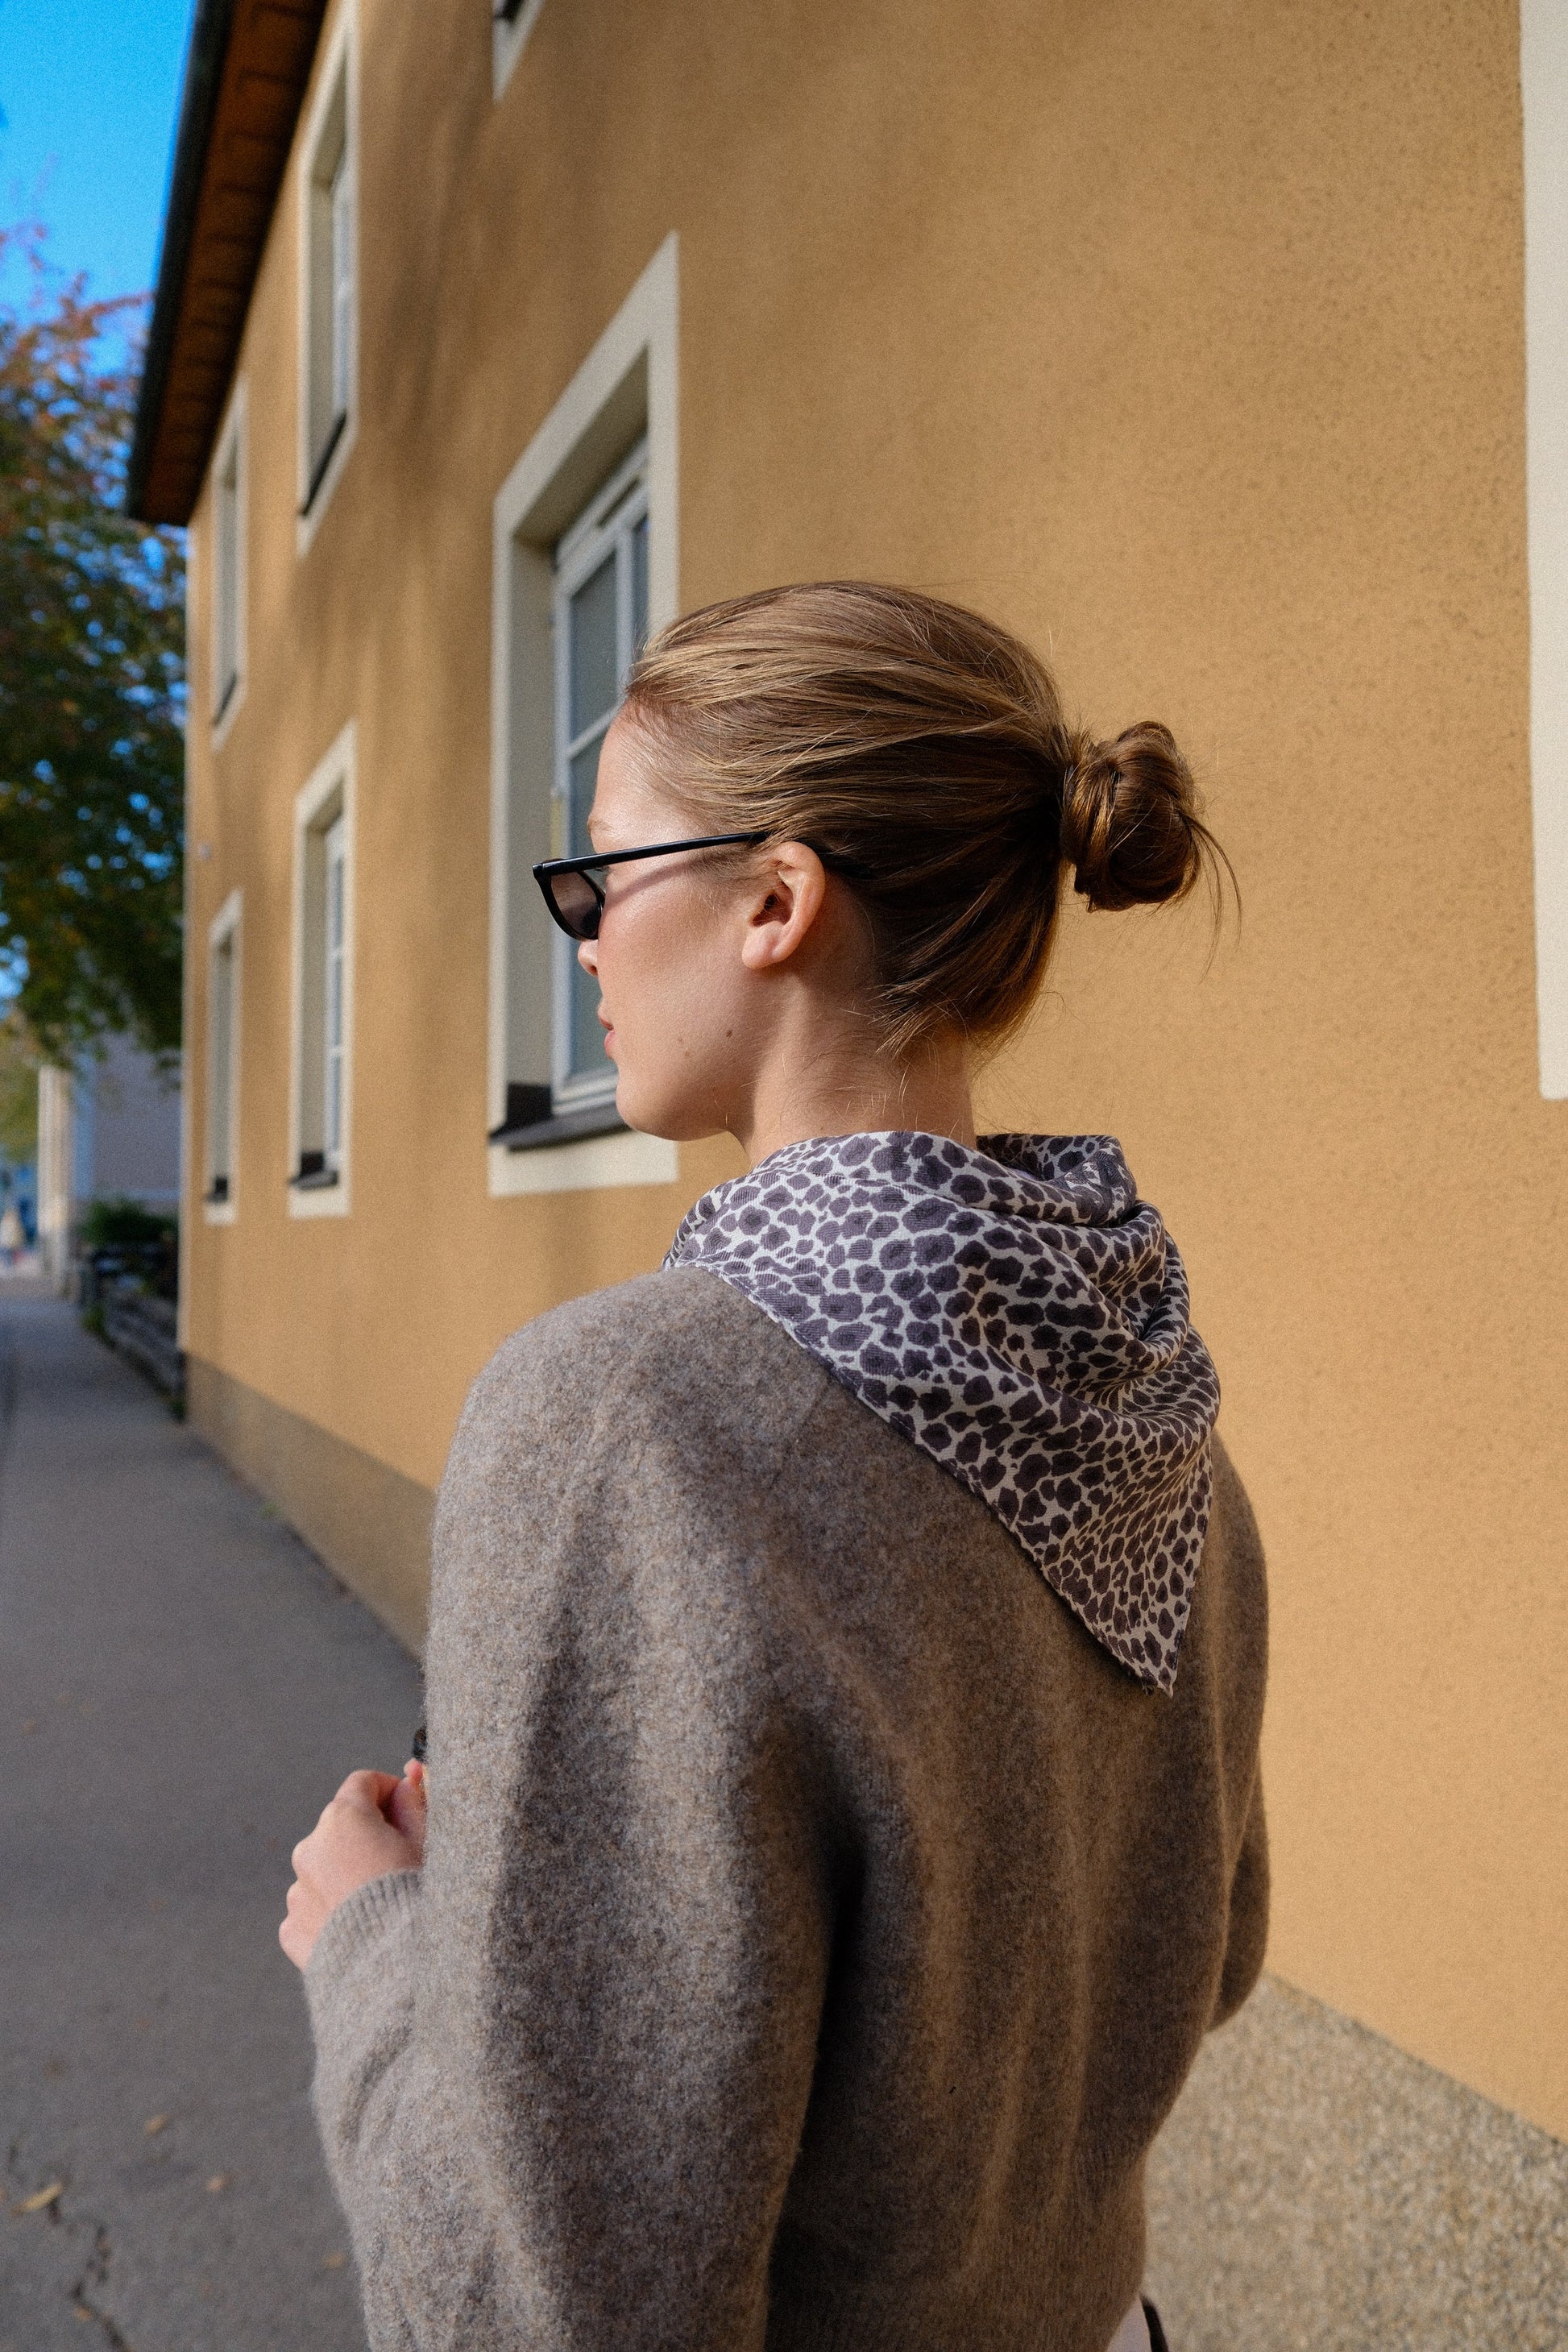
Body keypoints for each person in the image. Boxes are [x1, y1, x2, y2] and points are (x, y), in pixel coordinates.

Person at [281, 582, 1267, 2352]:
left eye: (602, 871)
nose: (579, 936)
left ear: (774, 899)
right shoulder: (1151, 1402)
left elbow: (550, 2306)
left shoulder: (626, 1423)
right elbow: (1215, 1941)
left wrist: (378, 1939)